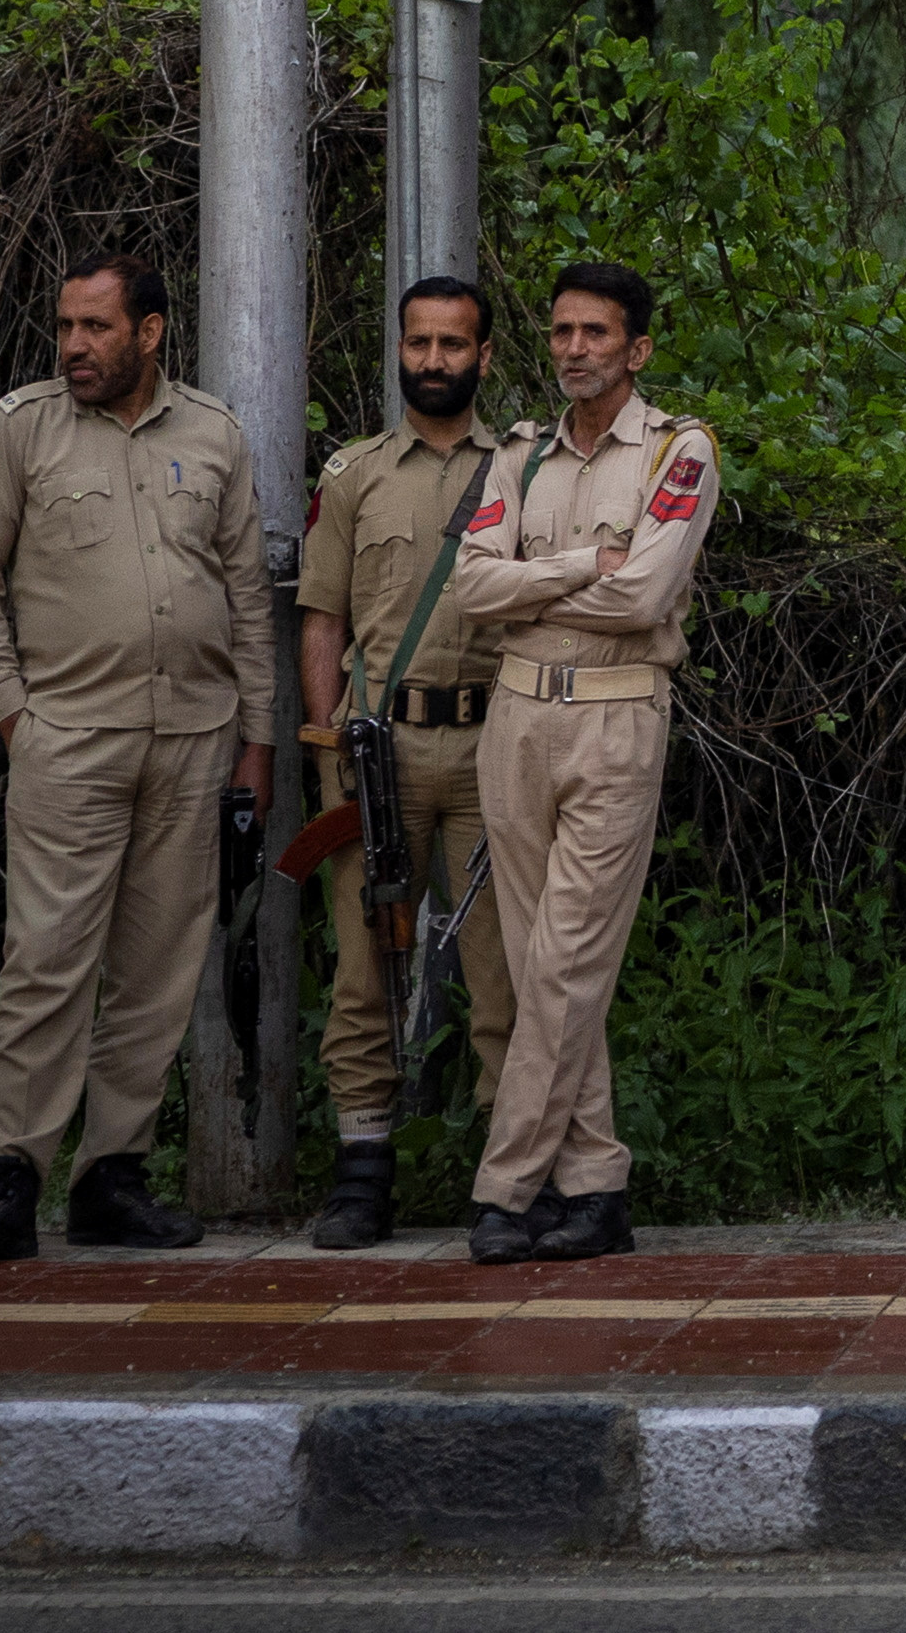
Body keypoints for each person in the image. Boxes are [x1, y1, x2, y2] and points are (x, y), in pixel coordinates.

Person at [0, 254, 266, 1266]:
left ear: (150, 332)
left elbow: (246, 592)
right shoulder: (21, 425)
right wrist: (18, 719)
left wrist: (254, 745)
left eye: (95, 326)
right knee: (47, 958)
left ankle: (112, 1174)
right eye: (65, 325)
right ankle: (7, 1178)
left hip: (194, 737)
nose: (74, 345)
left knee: (158, 969)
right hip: (69, 736)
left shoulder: (212, 431)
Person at [445, 260, 722, 1264]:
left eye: (594, 332)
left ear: (635, 348)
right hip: (516, 719)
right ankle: (596, 1183)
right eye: (561, 330)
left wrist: (531, 587)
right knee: (537, 968)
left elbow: (644, 597)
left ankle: (507, 1185)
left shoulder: (677, 452)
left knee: (563, 962)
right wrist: (571, 569)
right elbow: (471, 587)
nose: (572, 347)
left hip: (613, 718)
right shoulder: (520, 450)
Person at [294, 276, 520, 1247]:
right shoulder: (352, 473)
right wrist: (327, 737)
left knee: (502, 970)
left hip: (488, 747)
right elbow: (321, 616)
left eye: (451, 344)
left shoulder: (523, 467)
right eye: (418, 342)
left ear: (483, 356)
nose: (432, 359)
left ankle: (510, 1179)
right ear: (399, 348)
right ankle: (362, 1170)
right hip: (372, 748)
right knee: (364, 965)